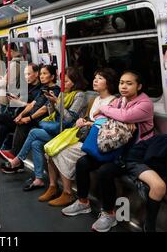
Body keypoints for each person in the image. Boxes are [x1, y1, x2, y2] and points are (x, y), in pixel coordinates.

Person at [62, 71, 154, 232]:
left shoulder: (145, 104)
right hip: (114, 147)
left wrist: (116, 115)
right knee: (83, 163)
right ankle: (83, 202)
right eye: (121, 82)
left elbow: (123, 115)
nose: (123, 86)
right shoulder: (120, 101)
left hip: (133, 153)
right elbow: (99, 116)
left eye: (129, 83)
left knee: (106, 171)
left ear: (139, 86)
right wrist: (120, 117)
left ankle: (109, 213)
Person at [2, 67, 88, 193]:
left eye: (67, 82)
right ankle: (39, 179)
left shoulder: (79, 95)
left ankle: (18, 159)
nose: (63, 84)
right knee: (36, 143)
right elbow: (54, 114)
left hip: (70, 132)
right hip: (59, 128)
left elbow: (70, 119)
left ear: (75, 82)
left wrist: (57, 102)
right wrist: (52, 103)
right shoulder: (64, 94)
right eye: (62, 81)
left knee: (33, 132)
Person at [41, 68, 117, 206]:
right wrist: (83, 120)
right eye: (95, 77)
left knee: (60, 151)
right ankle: (53, 187)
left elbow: (107, 124)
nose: (95, 80)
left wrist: (88, 122)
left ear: (109, 83)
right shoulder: (96, 99)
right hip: (86, 134)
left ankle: (68, 193)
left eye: (100, 78)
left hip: (97, 140)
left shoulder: (113, 102)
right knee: (49, 150)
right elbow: (88, 117)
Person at [0, 63, 42, 172]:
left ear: (36, 74)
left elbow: (34, 107)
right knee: (1, 129)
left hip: (28, 121)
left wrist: (19, 102)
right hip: (17, 118)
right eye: (25, 74)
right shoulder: (27, 86)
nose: (26, 77)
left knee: (0, 117)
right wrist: (16, 98)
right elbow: (23, 101)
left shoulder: (39, 90)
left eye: (29, 74)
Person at [0, 65, 60, 163]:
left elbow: (44, 109)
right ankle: (10, 154)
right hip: (32, 115)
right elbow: (32, 104)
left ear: (52, 77)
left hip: (41, 118)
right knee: (8, 123)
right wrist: (21, 115)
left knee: (20, 124)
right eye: (41, 74)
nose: (41, 76)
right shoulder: (43, 88)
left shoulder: (55, 90)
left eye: (45, 74)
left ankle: (13, 154)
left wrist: (29, 118)